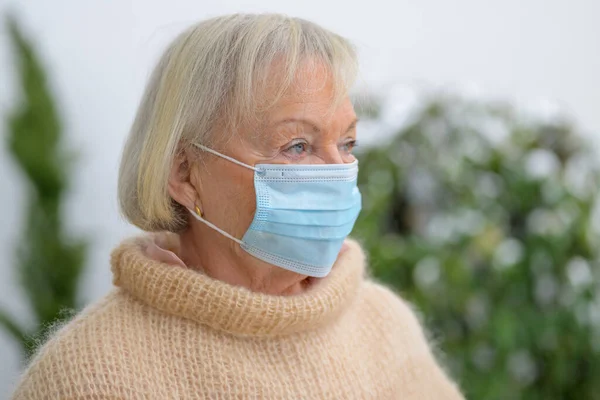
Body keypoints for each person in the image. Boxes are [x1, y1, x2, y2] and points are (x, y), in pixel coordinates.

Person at [12, 13, 463, 399]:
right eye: (297, 145)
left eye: (347, 143)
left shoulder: (383, 325)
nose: (337, 172)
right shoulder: (89, 376)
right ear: (186, 175)